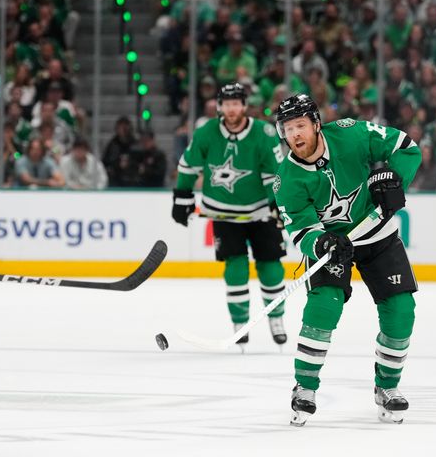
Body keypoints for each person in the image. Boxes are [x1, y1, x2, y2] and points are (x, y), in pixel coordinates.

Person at [273, 93, 421, 426]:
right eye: (288, 128)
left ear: (315, 123)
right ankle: (305, 388)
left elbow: (407, 147)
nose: (294, 135)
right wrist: (321, 240)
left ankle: (388, 387)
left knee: (401, 311)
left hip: (378, 236)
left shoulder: (351, 134)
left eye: (300, 125)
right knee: (324, 306)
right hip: (334, 246)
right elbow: (300, 229)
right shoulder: (287, 179)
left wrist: (396, 181)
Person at [172, 83, 288, 347]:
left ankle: (276, 318)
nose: (232, 108)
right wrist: (182, 196)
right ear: (220, 106)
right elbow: (189, 166)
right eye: (227, 103)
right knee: (235, 268)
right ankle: (240, 322)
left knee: (271, 267)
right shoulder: (206, 133)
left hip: (260, 212)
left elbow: (276, 173)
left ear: (244, 106)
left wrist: (277, 204)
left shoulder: (264, 133)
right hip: (223, 214)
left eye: (237, 103)